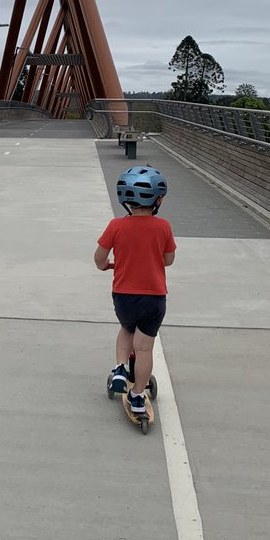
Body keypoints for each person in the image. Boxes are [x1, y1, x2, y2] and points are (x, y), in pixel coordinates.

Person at [93, 165, 176, 415]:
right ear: (158, 200)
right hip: (154, 298)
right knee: (144, 348)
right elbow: (169, 260)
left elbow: (99, 258)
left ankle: (119, 368)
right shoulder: (163, 227)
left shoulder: (116, 226)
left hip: (124, 296)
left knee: (126, 329)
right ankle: (138, 395)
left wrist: (106, 266)